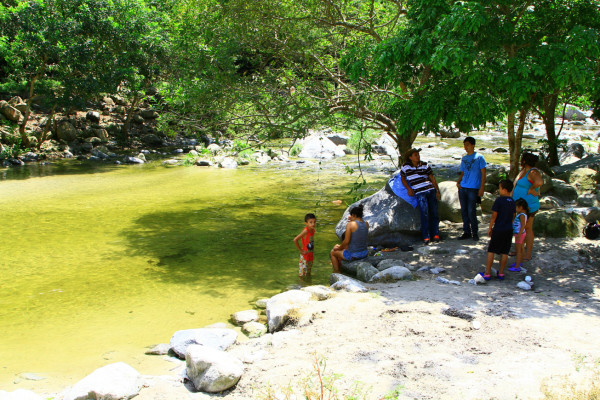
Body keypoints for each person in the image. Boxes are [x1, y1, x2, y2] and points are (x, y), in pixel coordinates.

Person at [401, 148, 441, 245]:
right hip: (420, 192)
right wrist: (409, 189)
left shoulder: (424, 165)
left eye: (418, 154)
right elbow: (403, 178)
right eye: (415, 155)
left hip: (430, 190)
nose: (418, 156)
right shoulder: (405, 167)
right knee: (424, 213)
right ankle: (426, 236)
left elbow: (432, 178)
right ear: (410, 157)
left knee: (434, 213)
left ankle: (435, 234)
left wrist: (437, 190)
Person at [480, 179, 516, 281]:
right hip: (508, 229)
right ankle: (501, 273)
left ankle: (487, 273)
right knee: (504, 252)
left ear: (504, 190)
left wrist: (490, 227)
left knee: (491, 250)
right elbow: (513, 215)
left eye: (500, 188)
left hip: (498, 229)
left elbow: (494, 215)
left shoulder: (499, 200)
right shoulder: (513, 201)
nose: (499, 190)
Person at [511, 152, 543, 262]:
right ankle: (518, 250)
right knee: (518, 227)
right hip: (518, 206)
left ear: (524, 160)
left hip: (528, 206)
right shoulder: (523, 171)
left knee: (527, 228)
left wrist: (532, 188)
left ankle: (527, 253)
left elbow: (539, 182)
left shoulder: (533, 171)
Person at [457, 136, 487, 241]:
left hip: (473, 188)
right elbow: (463, 172)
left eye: (468, 145)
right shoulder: (464, 158)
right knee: (464, 211)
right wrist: (458, 181)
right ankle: (466, 232)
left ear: (473, 145)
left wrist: (482, 188)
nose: (466, 147)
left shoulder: (479, 157)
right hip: (463, 187)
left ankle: (475, 232)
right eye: (464, 145)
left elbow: (483, 173)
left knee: (471, 211)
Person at [330, 205, 369, 273]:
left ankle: (337, 272)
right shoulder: (366, 223)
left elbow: (346, 241)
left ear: (353, 215)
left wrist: (339, 248)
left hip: (354, 255)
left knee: (333, 252)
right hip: (364, 253)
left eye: (351, 216)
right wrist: (339, 247)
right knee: (336, 246)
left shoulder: (350, 224)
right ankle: (340, 266)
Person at [293, 213, 316, 279]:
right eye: (310, 222)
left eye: (314, 222)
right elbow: (295, 240)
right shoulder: (306, 231)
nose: (313, 224)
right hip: (304, 256)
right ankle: (300, 286)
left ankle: (308, 284)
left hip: (310, 255)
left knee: (308, 272)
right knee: (302, 274)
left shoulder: (313, 230)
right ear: (306, 223)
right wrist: (300, 250)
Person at [509, 199, 529, 272]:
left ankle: (517, 266)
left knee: (518, 250)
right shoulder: (522, 215)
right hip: (520, 234)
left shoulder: (522, 215)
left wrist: (519, 234)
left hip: (519, 234)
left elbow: (523, 225)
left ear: (521, 207)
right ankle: (519, 263)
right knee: (521, 248)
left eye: (516, 207)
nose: (515, 209)